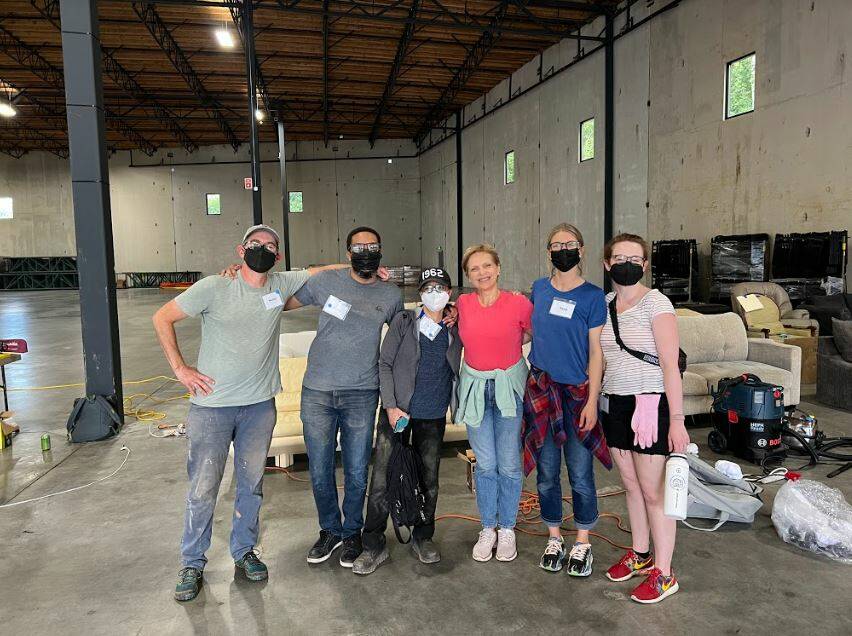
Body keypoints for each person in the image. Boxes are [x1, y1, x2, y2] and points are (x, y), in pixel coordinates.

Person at [153, 224, 340, 602]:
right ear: (241, 250)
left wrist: (359, 263)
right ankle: (192, 562)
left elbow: (322, 272)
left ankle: (244, 552)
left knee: (251, 484)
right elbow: (162, 318)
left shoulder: (280, 285)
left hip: (258, 406)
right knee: (204, 487)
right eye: (256, 244)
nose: (263, 249)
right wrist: (181, 369)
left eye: (271, 246)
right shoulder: (214, 286)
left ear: (279, 256)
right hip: (211, 407)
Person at [285, 226, 404, 568]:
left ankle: (352, 532)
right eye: (359, 247)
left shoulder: (391, 294)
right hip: (318, 392)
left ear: (381, 250)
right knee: (320, 470)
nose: (366, 251)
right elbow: (283, 301)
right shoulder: (327, 282)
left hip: (362, 393)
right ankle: (329, 531)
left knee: (354, 471)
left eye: (373, 246)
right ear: (348, 251)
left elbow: (400, 340)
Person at [352, 267, 462, 575]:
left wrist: (457, 313)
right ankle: (373, 544)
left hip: (433, 415)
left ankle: (423, 537)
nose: (434, 292)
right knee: (383, 479)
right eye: (427, 287)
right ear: (419, 294)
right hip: (397, 414)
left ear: (449, 293)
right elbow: (384, 363)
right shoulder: (404, 321)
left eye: (440, 287)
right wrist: (390, 406)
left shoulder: (455, 325)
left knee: (429, 480)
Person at [599, 233, 689, 604]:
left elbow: (670, 365)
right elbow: (602, 359)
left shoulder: (657, 303)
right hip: (614, 405)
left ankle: (665, 574)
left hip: (650, 407)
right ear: (607, 265)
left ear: (645, 265)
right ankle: (640, 553)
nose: (626, 263)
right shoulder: (604, 304)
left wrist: (679, 420)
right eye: (619, 257)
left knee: (654, 492)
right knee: (631, 486)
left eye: (635, 258)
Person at [522, 223, 612, 577]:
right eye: (557, 245)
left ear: (581, 249)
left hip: (576, 396)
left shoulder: (592, 297)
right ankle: (555, 535)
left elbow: (596, 352)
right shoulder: (539, 289)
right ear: (548, 252)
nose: (563, 250)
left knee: (580, 472)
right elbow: (528, 329)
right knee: (546, 474)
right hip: (542, 391)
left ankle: (583, 540)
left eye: (570, 244)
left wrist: (592, 400)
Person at [455, 244, 532, 563]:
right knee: (485, 464)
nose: (482, 272)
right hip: (475, 389)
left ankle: (508, 528)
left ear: (498, 268)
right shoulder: (462, 303)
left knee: (510, 463)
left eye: (487, 266)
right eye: (474, 268)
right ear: (468, 276)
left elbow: (530, 335)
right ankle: (488, 527)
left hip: (509, 390)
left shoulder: (519, 303)